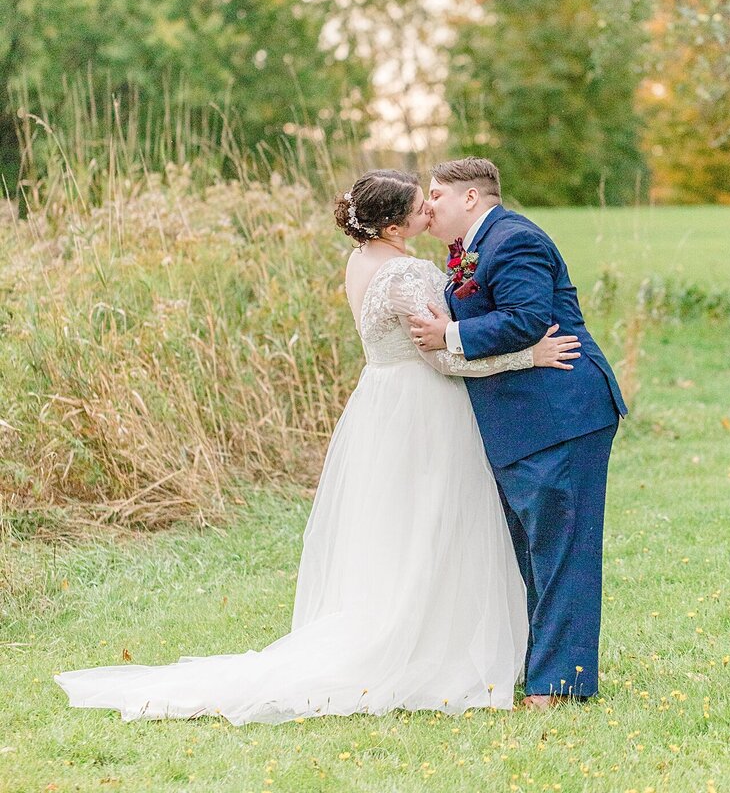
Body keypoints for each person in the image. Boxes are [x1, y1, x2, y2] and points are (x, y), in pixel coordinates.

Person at [53, 168, 581, 723]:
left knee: (400, 530)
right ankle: (433, 646)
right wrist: (530, 355)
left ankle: (438, 633)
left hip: (382, 404)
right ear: (395, 223)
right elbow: (442, 355)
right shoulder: (407, 273)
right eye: (423, 205)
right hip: (425, 406)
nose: (431, 212)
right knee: (434, 524)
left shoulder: (360, 263)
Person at [409, 157, 627, 709]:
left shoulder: (514, 241)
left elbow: (528, 318)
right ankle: (539, 669)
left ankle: (559, 685)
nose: (427, 204)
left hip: (560, 413)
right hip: (521, 419)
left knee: (561, 551)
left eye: (437, 193)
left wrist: (450, 333)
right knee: (531, 551)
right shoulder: (471, 249)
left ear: (472, 200)